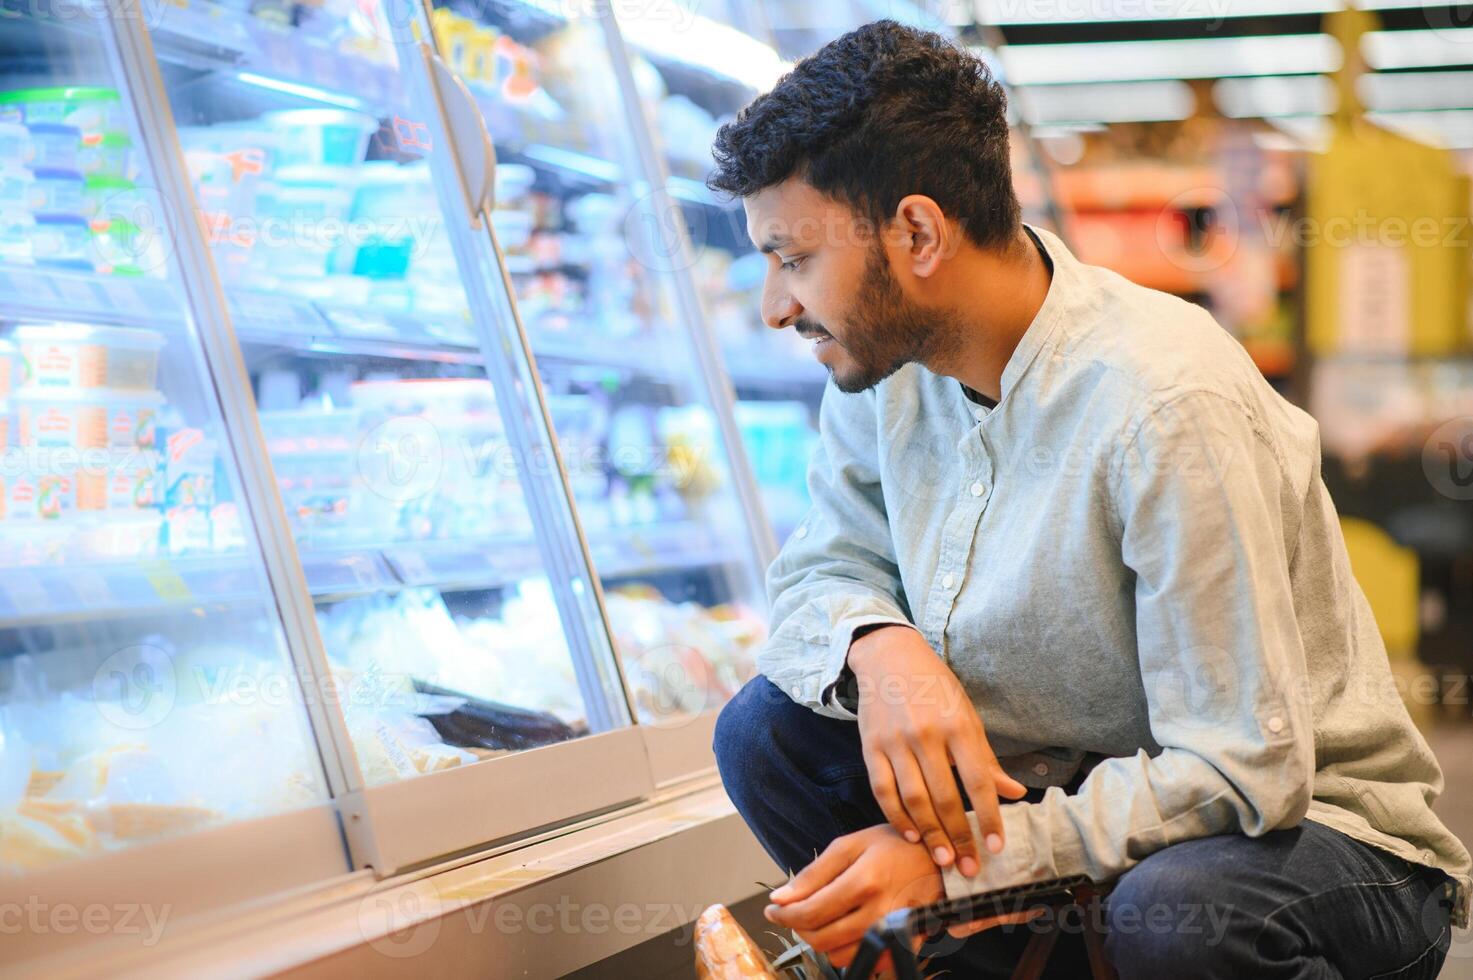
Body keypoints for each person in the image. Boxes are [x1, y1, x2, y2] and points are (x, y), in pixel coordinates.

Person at [707, 20, 1471, 978]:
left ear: (917, 232)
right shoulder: (885, 367)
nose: (776, 306)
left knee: (1177, 914)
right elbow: (825, 561)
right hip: (1067, 803)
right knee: (767, 733)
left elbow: (1244, 773)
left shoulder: (1160, 403)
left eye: (793, 258)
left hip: (1307, 840)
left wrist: (957, 871)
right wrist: (881, 649)